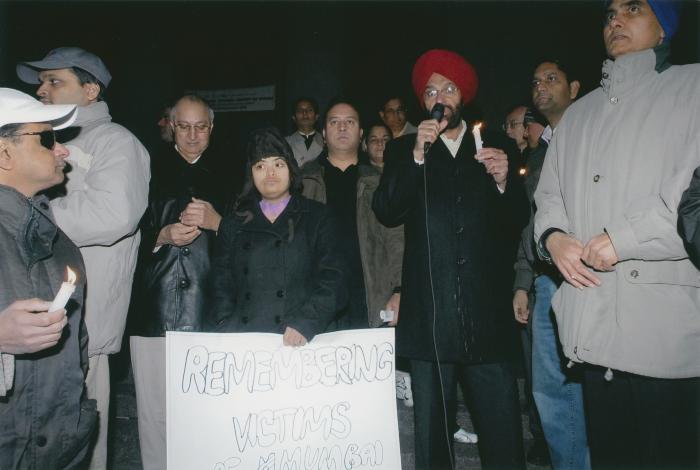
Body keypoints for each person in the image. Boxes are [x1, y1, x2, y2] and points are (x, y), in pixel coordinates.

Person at [534, 1, 700, 467]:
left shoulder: (693, 89)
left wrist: (622, 237)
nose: (616, 21)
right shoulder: (579, 115)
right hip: (593, 327)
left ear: (664, 29)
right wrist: (553, 238)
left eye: (633, 9)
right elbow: (549, 197)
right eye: (609, 14)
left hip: (664, 334)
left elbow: (693, 202)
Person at [373, 49, 527, 469]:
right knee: (430, 439)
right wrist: (417, 155)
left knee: (502, 429)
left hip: (485, 313)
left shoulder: (495, 144)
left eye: (449, 88)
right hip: (430, 315)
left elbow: (517, 219)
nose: (439, 96)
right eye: (430, 91)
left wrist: (502, 182)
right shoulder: (406, 148)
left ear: (464, 98)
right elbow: (386, 210)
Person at [16, 46, 150, 469]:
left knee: (80, 437)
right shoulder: (43, 138)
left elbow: (114, 215)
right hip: (35, 309)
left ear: (91, 90)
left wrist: (26, 215)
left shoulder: (117, 142)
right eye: (42, 81)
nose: (42, 88)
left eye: (55, 81)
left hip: (84, 319)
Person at [0, 87, 96, 467]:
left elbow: (77, 348)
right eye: (47, 139)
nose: (63, 150)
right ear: (4, 152)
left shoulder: (60, 245)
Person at [129, 94, 225, 469]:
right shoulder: (143, 169)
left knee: (207, 415)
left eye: (201, 126)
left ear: (212, 128)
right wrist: (161, 235)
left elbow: (254, 241)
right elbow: (121, 234)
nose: (192, 135)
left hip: (211, 310)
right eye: (183, 126)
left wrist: (220, 224)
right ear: (170, 126)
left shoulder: (235, 174)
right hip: (153, 307)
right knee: (154, 416)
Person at [516, 60, 590, 470]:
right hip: (546, 281)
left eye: (551, 79)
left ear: (574, 87)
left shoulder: (594, 133)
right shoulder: (541, 150)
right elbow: (531, 223)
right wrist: (522, 281)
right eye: (536, 80)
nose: (540, 86)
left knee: (586, 387)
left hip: (585, 276)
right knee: (550, 391)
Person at [209, 127, 347, 344]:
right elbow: (220, 285)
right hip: (245, 341)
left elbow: (334, 279)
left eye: (278, 164)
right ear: (251, 173)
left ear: (291, 170)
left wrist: (306, 323)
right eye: (260, 166)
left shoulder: (318, 218)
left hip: (300, 340)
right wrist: (226, 329)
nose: (270, 173)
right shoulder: (233, 223)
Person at [302, 99, 370, 330]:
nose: (342, 128)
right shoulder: (301, 180)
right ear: (323, 132)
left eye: (349, 122)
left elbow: (396, 240)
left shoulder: (380, 180)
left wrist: (398, 290)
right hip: (317, 294)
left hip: (369, 293)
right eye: (335, 122)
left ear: (361, 133)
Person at [286, 97, 324, 167]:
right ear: (294, 118)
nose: (305, 113)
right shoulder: (285, 143)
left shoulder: (327, 142)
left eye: (309, 110)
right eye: (300, 110)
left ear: (316, 116)